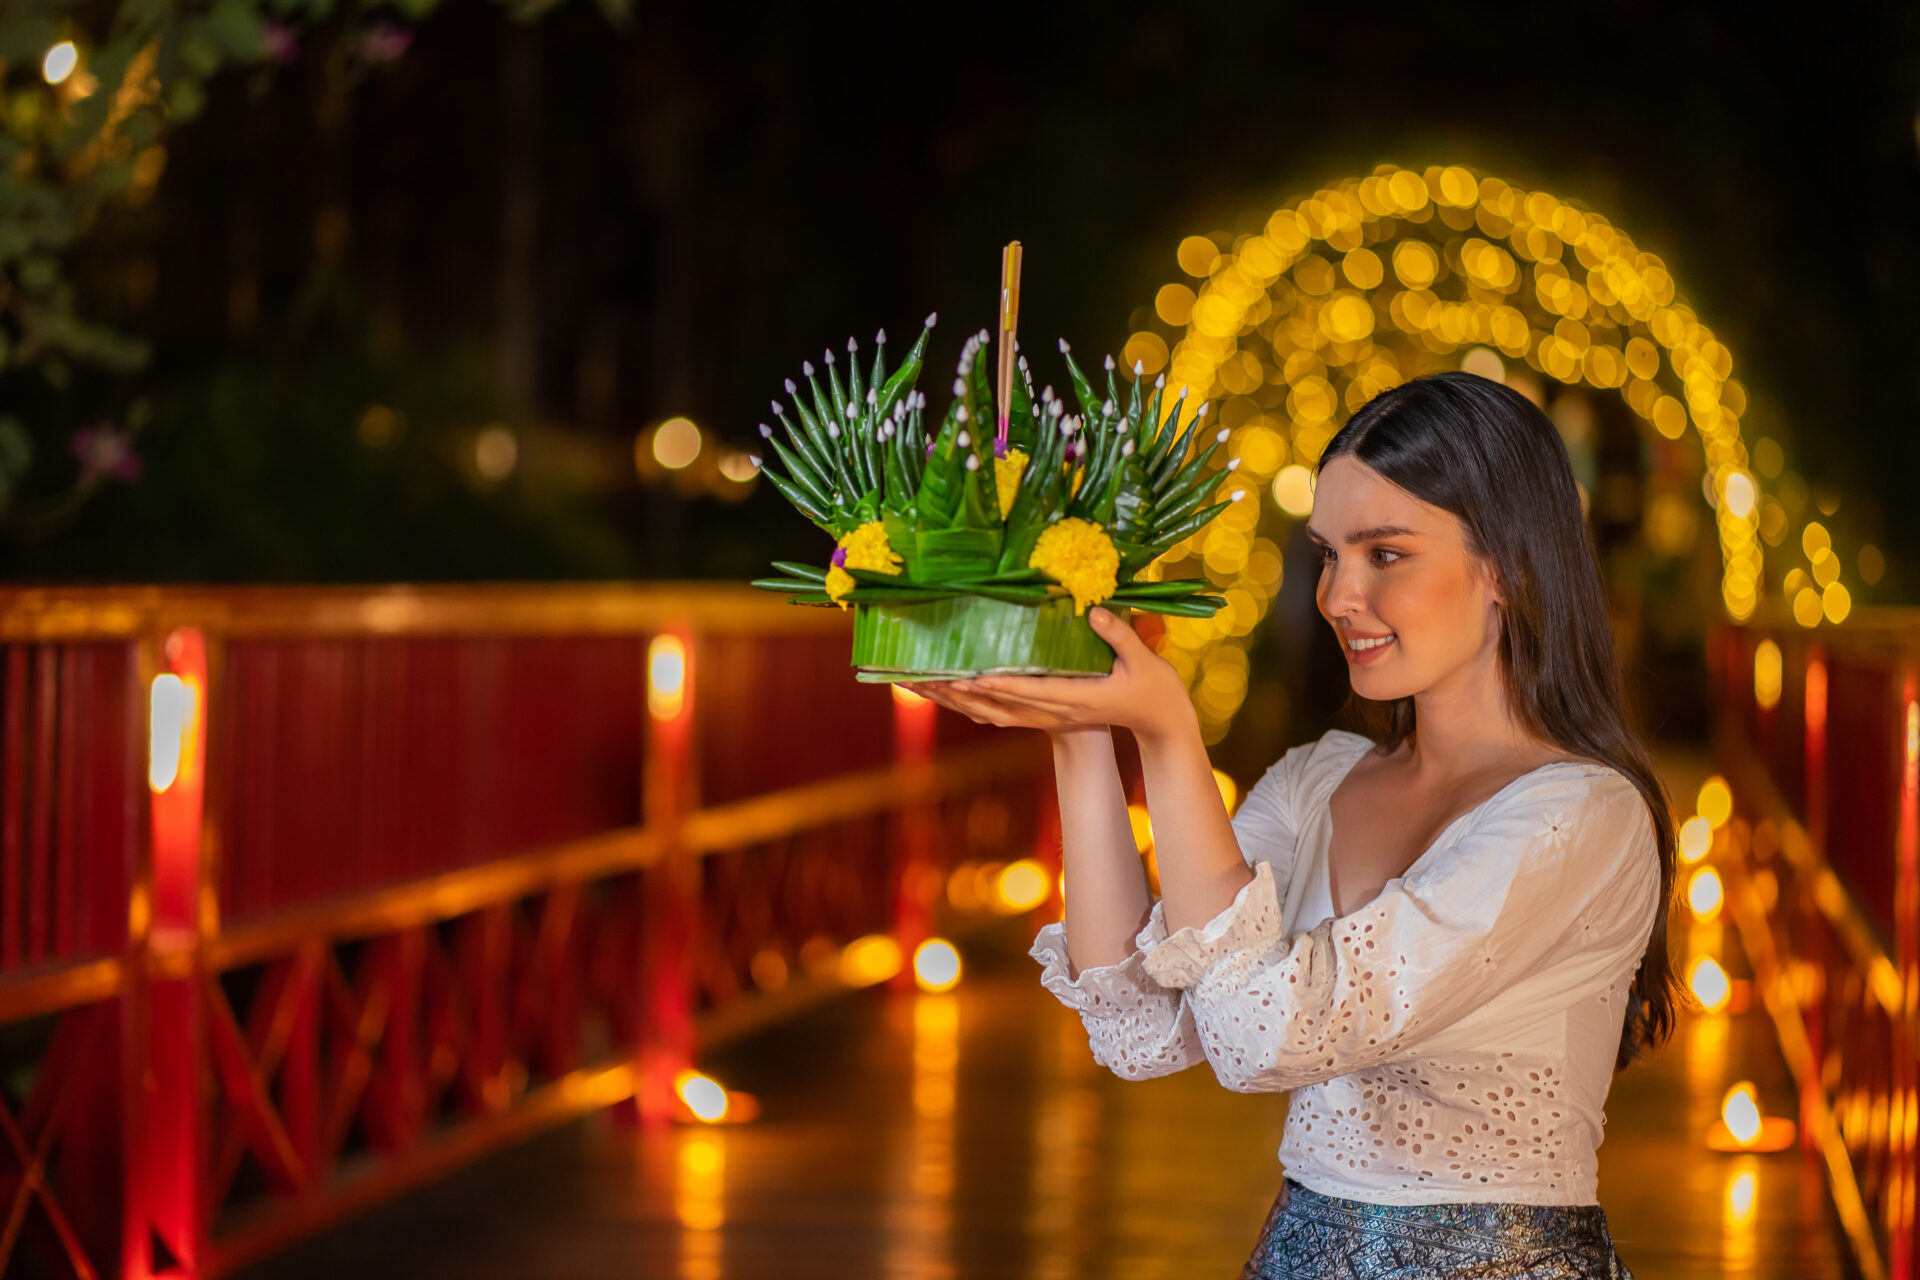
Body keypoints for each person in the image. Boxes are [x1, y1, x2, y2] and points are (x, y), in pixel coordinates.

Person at [905, 371, 1678, 1278]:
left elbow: (1265, 1034)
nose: (1338, 596)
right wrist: (1079, 730)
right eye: (1328, 555)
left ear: (1507, 565)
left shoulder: (1583, 817)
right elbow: (1144, 1026)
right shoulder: (1318, 782)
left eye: (1385, 554)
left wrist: (1170, 729)